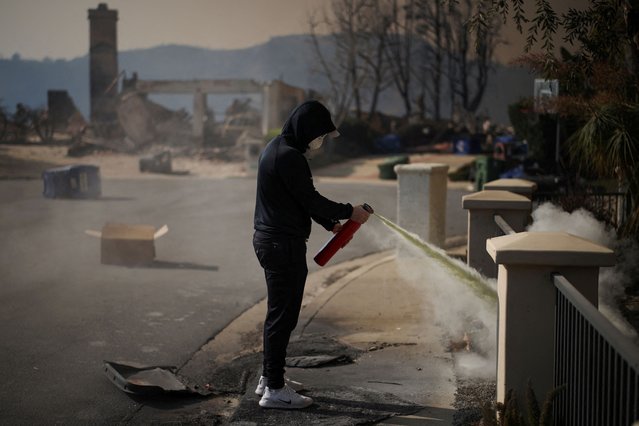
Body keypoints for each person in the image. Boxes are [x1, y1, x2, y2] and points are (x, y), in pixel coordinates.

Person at [252, 100, 371, 409]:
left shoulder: (276, 148)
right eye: (319, 134)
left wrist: (331, 223)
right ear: (307, 130)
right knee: (283, 316)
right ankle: (275, 391)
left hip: (272, 242)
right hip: (282, 245)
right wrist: (350, 212)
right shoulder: (290, 158)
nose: (319, 141)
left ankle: (269, 378)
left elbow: (298, 201)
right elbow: (311, 199)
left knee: (278, 314)